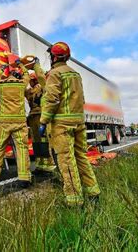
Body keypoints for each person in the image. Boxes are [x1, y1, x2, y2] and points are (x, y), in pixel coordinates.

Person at [39, 41, 100, 206]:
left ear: (53, 56)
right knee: (81, 157)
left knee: (67, 162)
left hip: (62, 125)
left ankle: (74, 201)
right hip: (79, 122)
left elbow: (51, 99)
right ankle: (93, 192)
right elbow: (81, 99)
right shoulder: (75, 74)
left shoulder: (54, 74)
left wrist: (43, 121)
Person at [0, 55, 32, 188]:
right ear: (17, 77)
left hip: (4, 123)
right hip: (19, 123)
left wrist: (2, 68)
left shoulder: (2, 85)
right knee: (22, 149)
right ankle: (24, 177)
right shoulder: (22, 85)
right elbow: (27, 75)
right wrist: (20, 65)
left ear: (8, 77)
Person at [25, 59, 56, 175]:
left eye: (32, 80)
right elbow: (21, 90)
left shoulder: (43, 87)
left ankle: (50, 165)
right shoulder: (29, 91)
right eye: (31, 81)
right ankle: (40, 165)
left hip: (42, 117)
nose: (32, 83)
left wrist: (36, 67)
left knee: (45, 142)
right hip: (33, 117)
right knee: (36, 142)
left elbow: (43, 78)